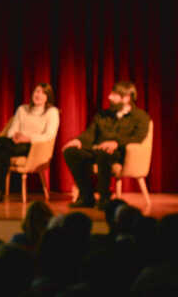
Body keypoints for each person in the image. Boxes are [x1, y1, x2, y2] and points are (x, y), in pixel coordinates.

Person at [0, 83, 60, 203]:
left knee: (1, 143)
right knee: (3, 150)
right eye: (36, 91)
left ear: (47, 97)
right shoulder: (22, 109)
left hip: (34, 146)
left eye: (42, 93)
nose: (38, 95)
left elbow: (49, 135)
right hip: (15, 142)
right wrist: (15, 136)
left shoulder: (52, 112)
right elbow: (12, 129)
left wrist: (27, 138)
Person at [63, 80, 150, 209]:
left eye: (114, 95)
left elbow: (138, 137)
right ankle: (87, 196)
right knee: (71, 152)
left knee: (104, 153)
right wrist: (79, 140)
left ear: (126, 98)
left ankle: (104, 198)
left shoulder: (140, 116)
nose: (109, 97)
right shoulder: (103, 115)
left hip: (120, 152)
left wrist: (116, 143)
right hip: (97, 149)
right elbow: (91, 133)